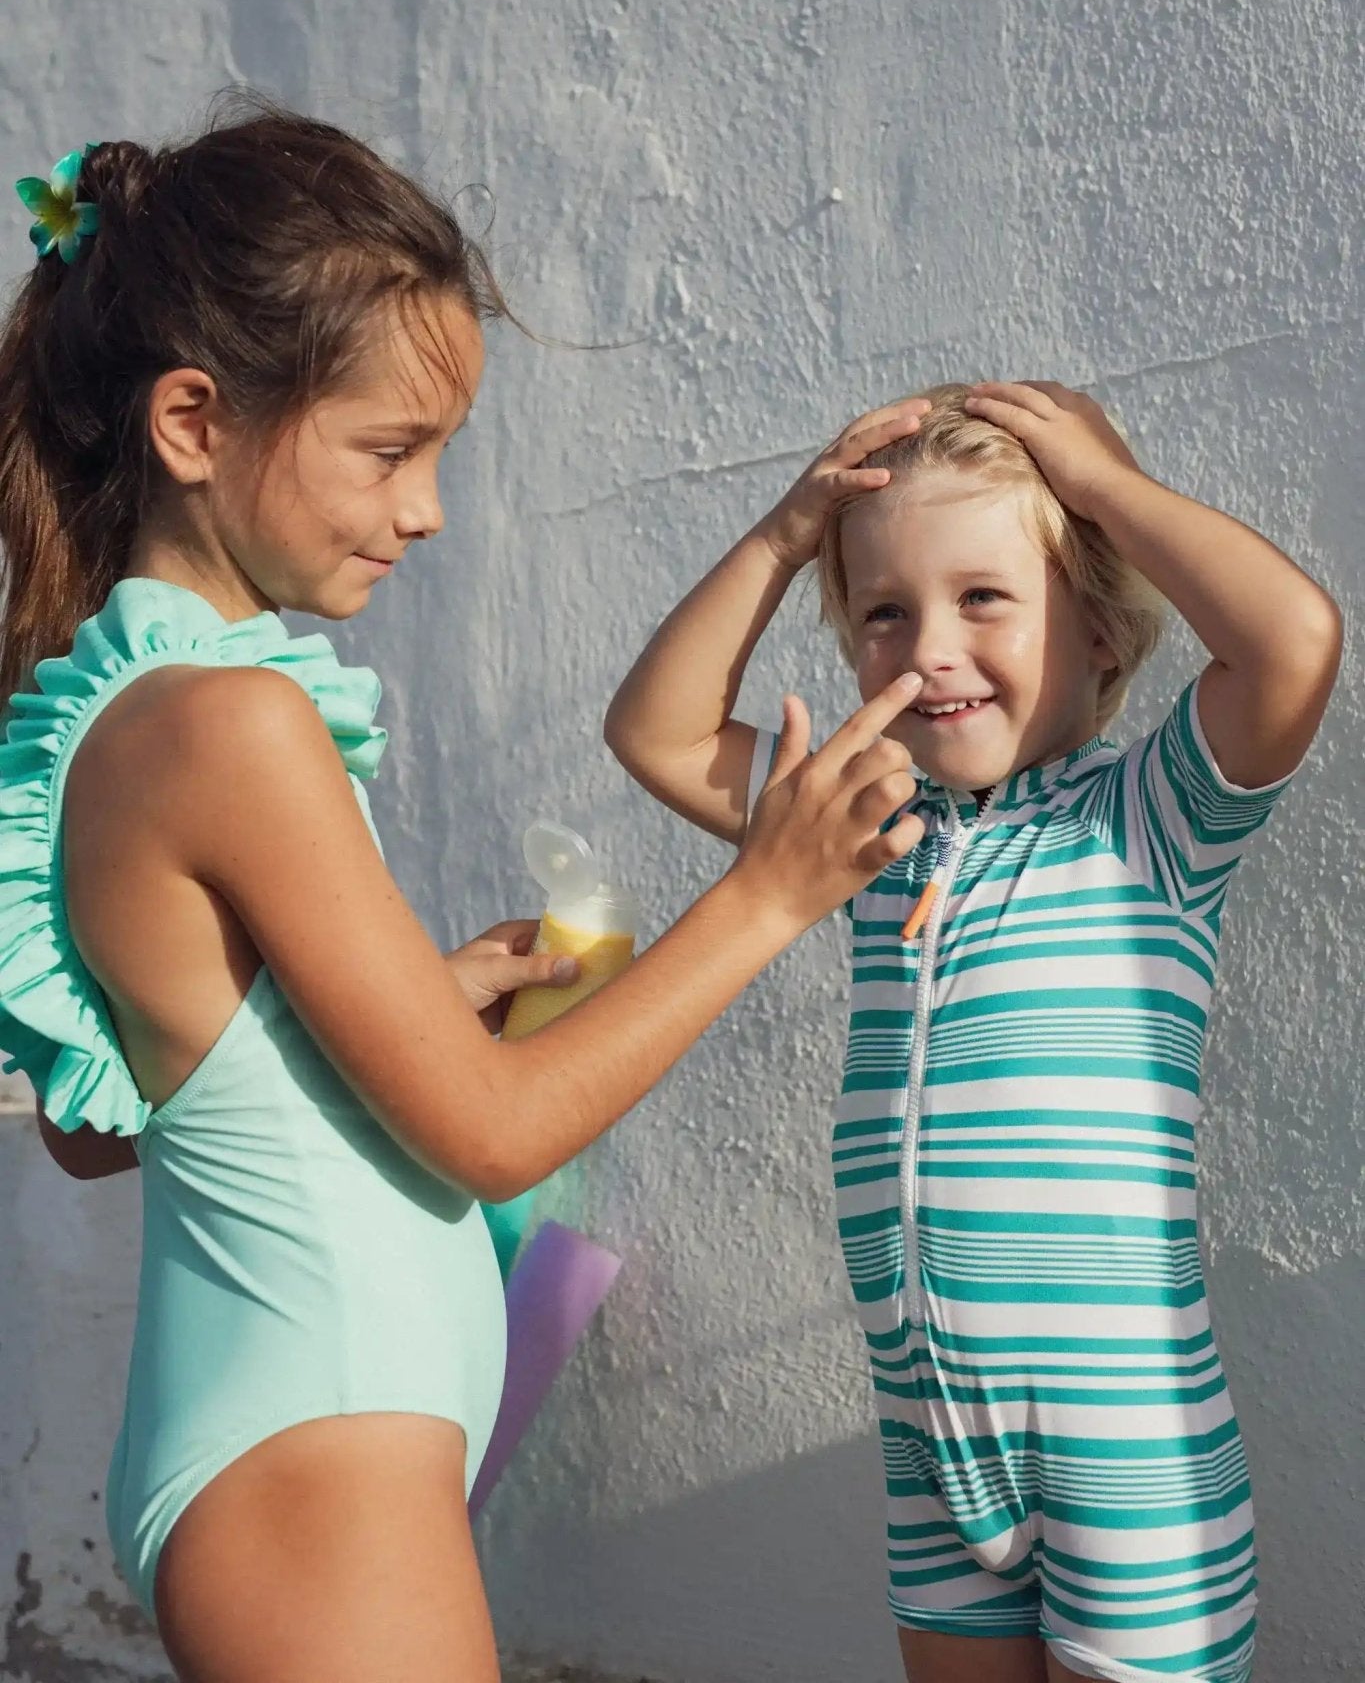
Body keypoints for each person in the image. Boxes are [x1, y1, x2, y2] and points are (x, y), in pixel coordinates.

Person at [0, 107, 926, 1683]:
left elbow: (115, 1123)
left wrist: (410, 999)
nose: (426, 509)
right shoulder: (233, 726)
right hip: (319, 1463)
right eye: (387, 450)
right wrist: (769, 892)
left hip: (286, 1439)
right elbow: (493, 1134)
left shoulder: (128, 710)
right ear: (190, 421)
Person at [605, 382, 1341, 1683]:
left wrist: (1102, 488)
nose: (925, 647)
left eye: (982, 598)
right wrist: (786, 534)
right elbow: (654, 731)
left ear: (1104, 637)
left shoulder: (1147, 822)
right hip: (927, 1426)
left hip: (1126, 1442)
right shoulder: (863, 836)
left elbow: (1289, 640)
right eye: (884, 612)